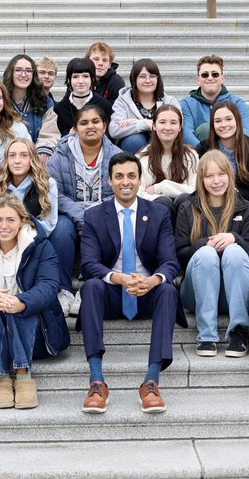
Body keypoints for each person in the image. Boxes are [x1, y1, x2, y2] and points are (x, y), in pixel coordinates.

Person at [78, 152, 182, 414]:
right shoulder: (93, 216)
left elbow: (170, 262)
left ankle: (151, 381)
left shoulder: (158, 213)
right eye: (119, 176)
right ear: (109, 181)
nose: (126, 181)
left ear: (140, 179)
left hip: (147, 293)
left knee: (168, 289)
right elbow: (89, 264)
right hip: (112, 293)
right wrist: (120, 278)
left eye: (132, 176)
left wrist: (151, 281)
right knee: (90, 286)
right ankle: (97, 381)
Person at [0, 194, 70, 410]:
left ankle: (23, 374)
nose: (3, 226)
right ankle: (1, 377)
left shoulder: (41, 247)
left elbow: (49, 286)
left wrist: (21, 302)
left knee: (21, 307)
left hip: (35, 332)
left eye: (10, 220)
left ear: (23, 221)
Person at [175, 152, 249, 358]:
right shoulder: (188, 208)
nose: (216, 181)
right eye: (209, 176)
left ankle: (239, 331)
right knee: (206, 255)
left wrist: (234, 238)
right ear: (201, 180)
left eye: (221, 174)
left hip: (235, 292)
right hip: (196, 293)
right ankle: (207, 336)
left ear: (230, 175)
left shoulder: (247, 209)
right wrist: (207, 244)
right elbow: (180, 255)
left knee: (235, 251)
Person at [47, 104, 121, 311]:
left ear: (104, 126)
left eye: (96, 121)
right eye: (84, 122)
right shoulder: (60, 154)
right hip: (69, 214)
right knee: (60, 229)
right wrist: (82, 218)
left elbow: (120, 193)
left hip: (104, 213)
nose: (90, 126)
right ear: (76, 128)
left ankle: (89, 287)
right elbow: (55, 193)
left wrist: (92, 218)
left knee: (111, 225)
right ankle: (64, 290)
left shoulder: (117, 156)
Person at [0, 138, 59, 237]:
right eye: (12, 155)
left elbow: (48, 225)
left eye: (24, 155)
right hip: (1, 240)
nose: (17, 161)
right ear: (6, 160)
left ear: (32, 159)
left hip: (32, 240)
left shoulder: (47, 184)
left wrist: (20, 233)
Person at [180, 55, 249, 148]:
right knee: (205, 129)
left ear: (223, 78)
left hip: (234, 153)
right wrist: (204, 152)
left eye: (215, 74)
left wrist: (229, 150)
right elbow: (186, 134)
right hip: (203, 155)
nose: (210, 78)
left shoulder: (237, 102)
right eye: (205, 75)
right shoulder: (187, 104)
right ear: (198, 80)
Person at [109, 58, 179, 154]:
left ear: (157, 79)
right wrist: (145, 124)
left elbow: (180, 124)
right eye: (142, 76)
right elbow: (114, 129)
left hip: (163, 143)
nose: (148, 80)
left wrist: (139, 122)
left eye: (152, 76)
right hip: (133, 146)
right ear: (134, 79)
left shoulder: (169, 101)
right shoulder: (122, 101)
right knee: (135, 140)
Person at [204, 100, 249, 208]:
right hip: (210, 206)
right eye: (218, 121)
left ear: (237, 121)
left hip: (241, 209)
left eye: (228, 119)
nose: (223, 125)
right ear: (213, 125)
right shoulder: (204, 149)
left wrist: (226, 191)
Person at [136, 104, 198, 207]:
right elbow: (138, 194)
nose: (168, 127)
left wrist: (160, 187)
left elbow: (195, 191)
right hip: (156, 214)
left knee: (184, 199)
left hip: (184, 215)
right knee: (163, 202)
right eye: (162, 122)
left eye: (173, 123)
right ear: (154, 126)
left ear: (180, 127)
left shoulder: (191, 155)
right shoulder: (142, 157)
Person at [3, 53, 60, 160]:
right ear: (11, 72)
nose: (24, 75)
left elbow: (49, 136)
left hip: (36, 161)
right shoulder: (1, 100)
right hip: (4, 161)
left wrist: (38, 156)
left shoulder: (45, 102)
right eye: (19, 70)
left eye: (28, 71)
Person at [52, 58, 112, 137]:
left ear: (92, 78)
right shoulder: (60, 108)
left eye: (85, 76)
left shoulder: (104, 105)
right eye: (75, 77)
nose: (80, 81)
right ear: (69, 80)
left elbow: (110, 136)